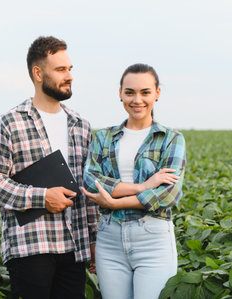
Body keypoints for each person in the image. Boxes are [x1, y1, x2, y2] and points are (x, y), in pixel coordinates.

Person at [0, 36, 98, 299]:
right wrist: (43, 197)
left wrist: (93, 239)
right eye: (60, 70)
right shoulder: (9, 122)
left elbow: (88, 187)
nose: (68, 76)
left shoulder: (81, 124)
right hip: (31, 246)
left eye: (70, 69)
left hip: (75, 246)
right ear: (38, 73)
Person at [82, 63, 186, 299]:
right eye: (130, 92)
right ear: (120, 93)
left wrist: (114, 203)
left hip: (153, 238)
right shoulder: (103, 137)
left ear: (157, 93)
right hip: (109, 239)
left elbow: (168, 194)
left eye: (145, 92)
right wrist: (143, 186)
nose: (137, 100)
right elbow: (90, 180)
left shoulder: (171, 139)